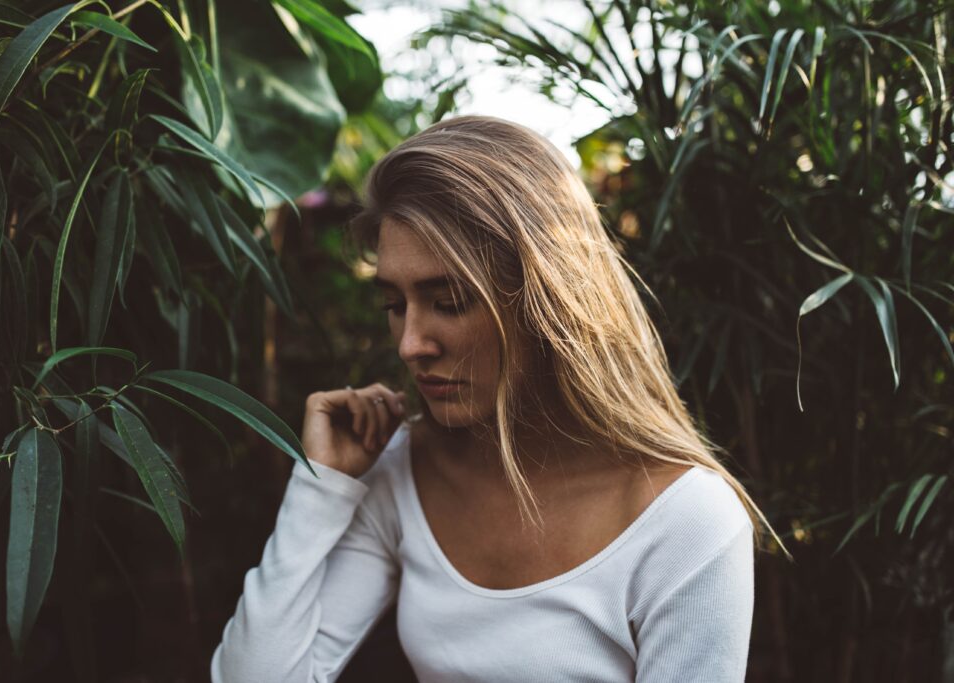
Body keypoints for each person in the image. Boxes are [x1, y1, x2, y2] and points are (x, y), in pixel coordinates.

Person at [211, 115, 790, 683]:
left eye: (451, 299)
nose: (411, 344)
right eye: (394, 305)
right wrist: (321, 489)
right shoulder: (406, 471)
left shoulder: (685, 522)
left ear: (545, 301)